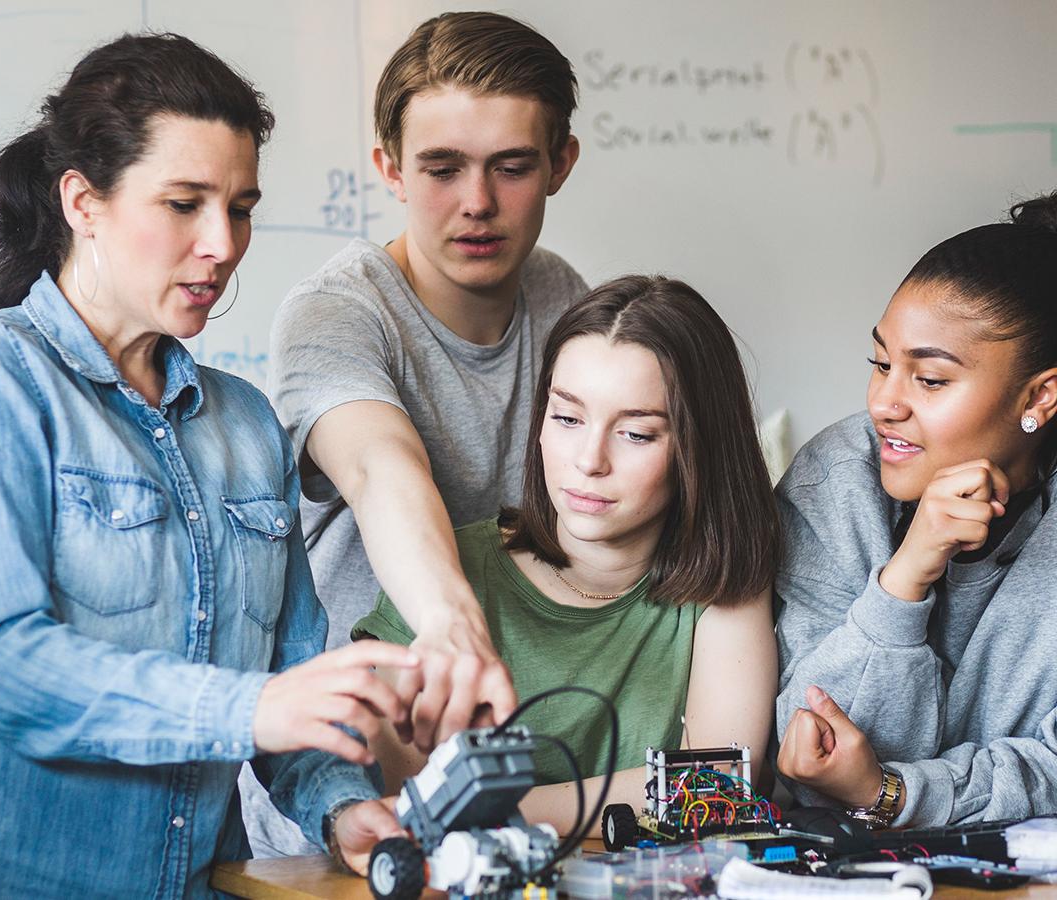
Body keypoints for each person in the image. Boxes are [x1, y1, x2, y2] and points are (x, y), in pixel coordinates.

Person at [0, 34, 420, 899]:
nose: (222, 244)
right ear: (83, 200)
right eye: (184, 203)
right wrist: (246, 709)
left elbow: (289, 692)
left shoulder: (244, 424)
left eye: (239, 207)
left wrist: (345, 808)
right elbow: (3, 666)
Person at [247, 10, 588, 855]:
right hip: (343, 787)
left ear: (560, 166)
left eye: (512, 167)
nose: (477, 203)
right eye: (443, 168)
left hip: (509, 770)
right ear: (390, 169)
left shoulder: (563, 297)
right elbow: (380, 468)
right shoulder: (337, 311)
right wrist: (448, 626)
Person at [353, 276, 780, 836]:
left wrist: (493, 811)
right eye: (568, 418)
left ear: (699, 449)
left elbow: (717, 788)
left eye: (636, 433)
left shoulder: (722, 580)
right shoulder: (439, 572)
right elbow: (402, 803)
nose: (589, 460)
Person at [776, 192, 1057, 828]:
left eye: (929, 380)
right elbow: (804, 749)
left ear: (1040, 395)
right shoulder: (837, 479)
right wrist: (905, 579)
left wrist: (895, 793)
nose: (884, 403)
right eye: (880, 364)